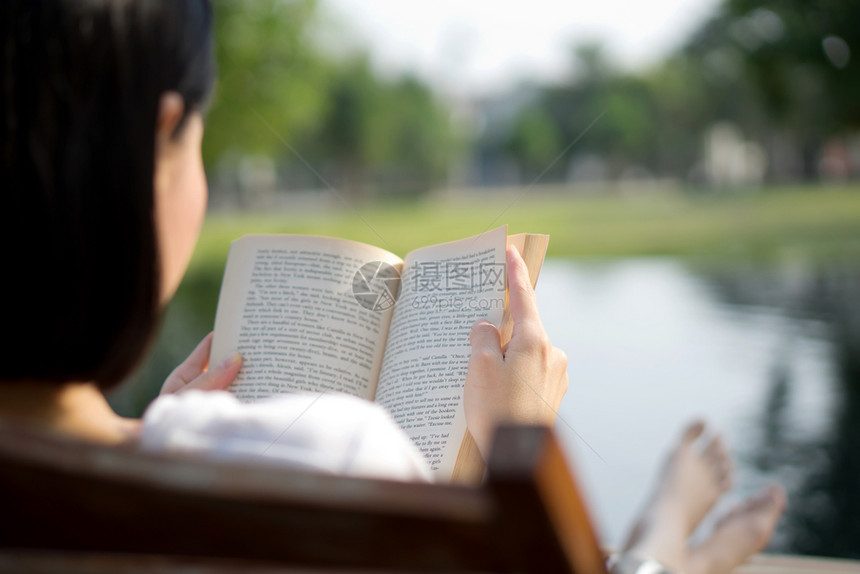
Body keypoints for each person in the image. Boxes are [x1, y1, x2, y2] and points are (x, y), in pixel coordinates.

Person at [0, 1, 784, 572]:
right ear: (154, 150)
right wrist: (511, 444)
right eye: (198, 142)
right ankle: (673, 539)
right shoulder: (338, 455)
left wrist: (158, 436)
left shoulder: (135, 463)